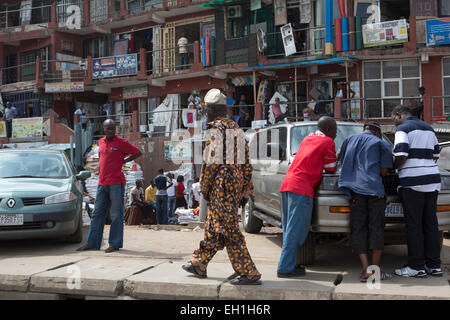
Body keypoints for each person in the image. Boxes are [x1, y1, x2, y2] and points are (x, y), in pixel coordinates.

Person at [182, 88, 261, 285]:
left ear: (213, 109)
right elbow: (246, 163)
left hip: (221, 184)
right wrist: (245, 190)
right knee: (215, 226)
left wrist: (204, 188)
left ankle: (248, 272)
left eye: (207, 109)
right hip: (235, 184)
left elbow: (211, 162)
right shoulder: (236, 128)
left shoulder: (215, 129)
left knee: (228, 228)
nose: (205, 113)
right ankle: (199, 263)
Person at [277, 116, 337, 277]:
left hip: (287, 184)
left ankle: (292, 263)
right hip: (302, 188)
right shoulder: (328, 142)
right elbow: (331, 168)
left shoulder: (308, 138)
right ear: (329, 129)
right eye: (336, 130)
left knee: (289, 229)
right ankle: (284, 268)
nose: (336, 133)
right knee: (297, 230)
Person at [338, 122, 393, 282]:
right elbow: (384, 171)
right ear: (377, 133)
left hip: (355, 191)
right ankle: (374, 271)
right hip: (374, 190)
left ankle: (365, 270)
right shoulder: (381, 143)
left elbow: (339, 158)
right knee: (376, 228)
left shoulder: (348, 140)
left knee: (358, 228)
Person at [392, 105, 443, 278]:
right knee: (431, 224)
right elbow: (436, 154)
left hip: (412, 181)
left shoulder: (402, 128)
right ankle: (434, 266)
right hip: (433, 179)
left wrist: (394, 168)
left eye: (394, 119)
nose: (394, 123)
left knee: (414, 225)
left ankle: (416, 267)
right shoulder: (429, 128)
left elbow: (400, 153)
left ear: (399, 115)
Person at [77, 119, 142, 253]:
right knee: (97, 214)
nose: (111, 131)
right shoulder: (100, 142)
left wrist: (124, 160)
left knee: (116, 214)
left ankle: (115, 243)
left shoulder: (121, 142)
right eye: (108, 128)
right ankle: (92, 243)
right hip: (102, 183)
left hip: (116, 183)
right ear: (104, 129)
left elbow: (138, 152)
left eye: (113, 128)